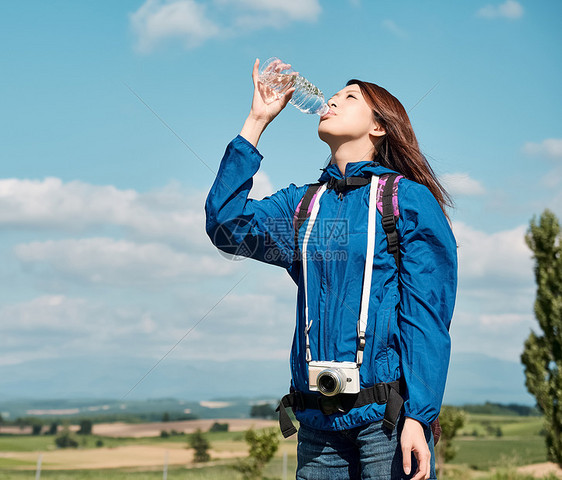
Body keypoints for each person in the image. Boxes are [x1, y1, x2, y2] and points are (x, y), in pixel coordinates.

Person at [205, 58, 457, 480]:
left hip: (389, 425)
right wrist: (256, 120)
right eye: (335, 94)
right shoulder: (303, 206)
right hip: (318, 432)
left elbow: (426, 316)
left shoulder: (404, 201)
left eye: (350, 96)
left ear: (379, 126)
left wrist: (420, 414)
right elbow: (226, 225)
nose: (333, 99)